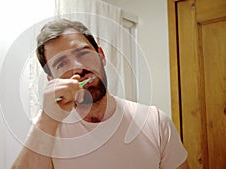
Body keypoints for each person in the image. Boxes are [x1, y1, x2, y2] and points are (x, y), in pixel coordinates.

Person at [12, 19, 189, 169]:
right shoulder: (46, 130)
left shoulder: (156, 121)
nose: (77, 67)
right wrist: (47, 120)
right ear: (52, 79)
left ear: (101, 56)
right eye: (61, 63)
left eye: (82, 53)